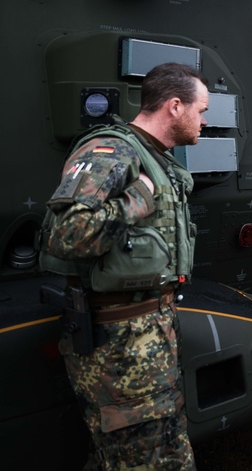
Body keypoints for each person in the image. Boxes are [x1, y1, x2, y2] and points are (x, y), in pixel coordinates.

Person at [39, 62, 209, 470]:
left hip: (146, 335)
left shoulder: (156, 158)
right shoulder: (113, 151)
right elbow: (68, 234)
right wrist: (138, 198)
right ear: (174, 106)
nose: (204, 121)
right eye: (201, 110)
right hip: (119, 346)